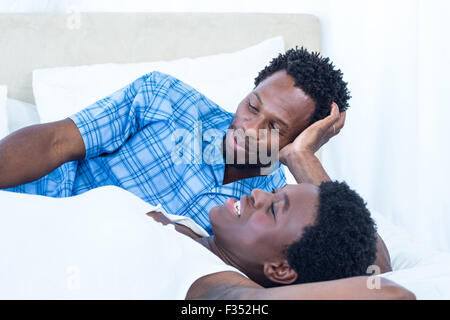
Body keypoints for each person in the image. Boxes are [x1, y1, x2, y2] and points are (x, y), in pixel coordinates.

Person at [0, 47, 350, 236]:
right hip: (31, 206)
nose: (248, 128)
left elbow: (361, 266)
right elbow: (56, 142)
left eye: (274, 128)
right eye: (252, 106)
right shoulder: (164, 99)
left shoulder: (273, 211)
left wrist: (304, 159)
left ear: (303, 136)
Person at [0, 181, 414, 299]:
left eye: (273, 208)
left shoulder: (214, 290)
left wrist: (305, 160)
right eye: (275, 193)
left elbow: (389, 293)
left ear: (281, 269)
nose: (258, 193)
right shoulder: (189, 229)